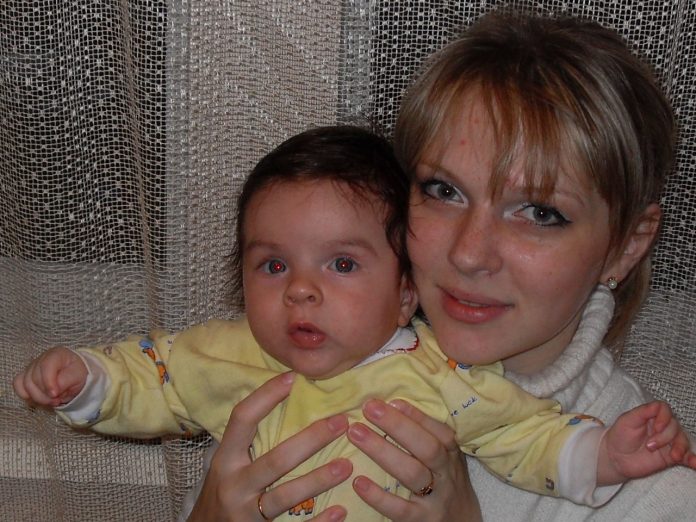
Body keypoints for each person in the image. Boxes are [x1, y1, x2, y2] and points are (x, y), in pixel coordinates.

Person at [12, 125, 694, 521]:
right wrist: (86, 379)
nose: (301, 291)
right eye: (273, 266)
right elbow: (154, 374)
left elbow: (526, 433)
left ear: (404, 292)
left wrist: (602, 456)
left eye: (341, 264)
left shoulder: (443, 375)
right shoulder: (234, 356)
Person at [182, 9, 696, 522]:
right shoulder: (308, 358)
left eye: (540, 213)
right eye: (444, 190)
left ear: (627, 245)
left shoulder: (656, 495)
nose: (468, 254)